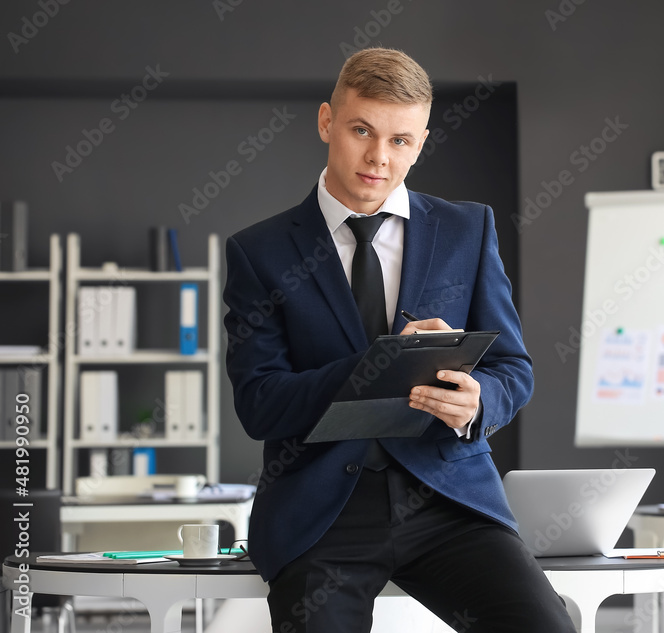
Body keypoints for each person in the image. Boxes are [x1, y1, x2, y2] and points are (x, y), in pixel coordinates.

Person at [223, 48, 576, 633]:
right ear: (325, 122)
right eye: (361, 130)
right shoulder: (258, 253)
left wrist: (478, 399)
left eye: (401, 141)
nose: (378, 158)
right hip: (321, 517)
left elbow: (513, 368)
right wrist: (379, 368)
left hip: (449, 503)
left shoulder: (468, 229)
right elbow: (259, 404)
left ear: (422, 141)